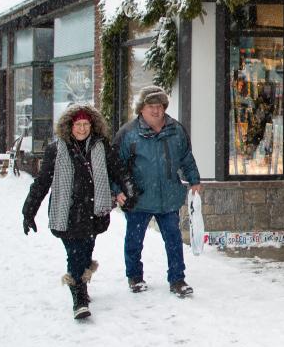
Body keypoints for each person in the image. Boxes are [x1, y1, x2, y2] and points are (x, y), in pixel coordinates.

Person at [22, 104, 128, 320]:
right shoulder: (56, 150)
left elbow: (118, 170)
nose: (82, 129)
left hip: (93, 212)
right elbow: (42, 182)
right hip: (67, 212)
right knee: (75, 254)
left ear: (92, 125)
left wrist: (128, 190)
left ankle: (81, 286)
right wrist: (29, 211)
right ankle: (79, 300)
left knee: (86, 252)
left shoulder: (101, 147)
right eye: (78, 124)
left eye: (86, 124)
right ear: (69, 126)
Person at [113, 85, 202, 297]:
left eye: (160, 106)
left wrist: (194, 180)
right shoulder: (128, 134)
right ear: (141, 109)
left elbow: (186, 158)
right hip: (139, 198)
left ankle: (177, 279)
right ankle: (135, 277)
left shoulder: (176, 130)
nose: (156, 110)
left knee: (173, 239)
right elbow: (115, 165)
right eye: (151, 106)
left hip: (168, 196)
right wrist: (117, 190)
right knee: (134, 240)